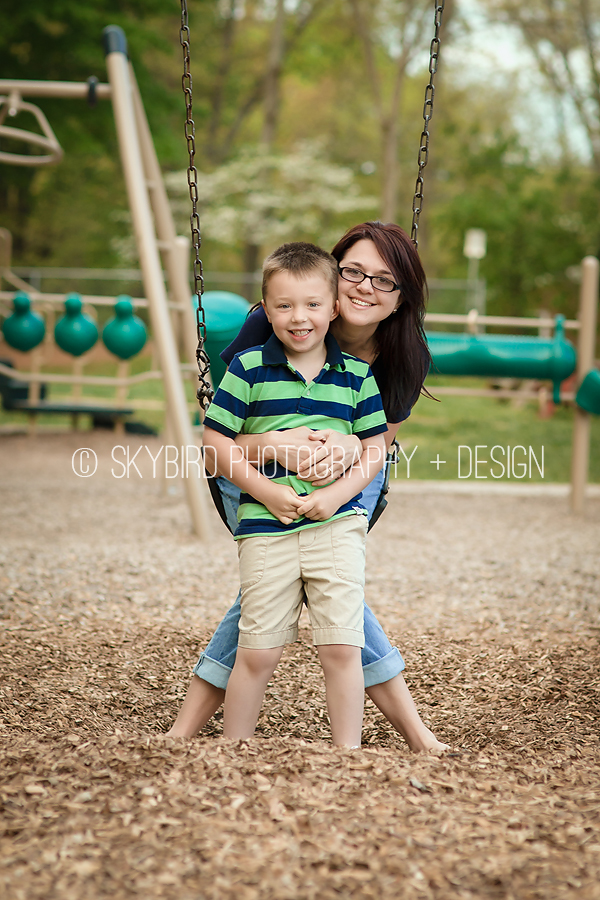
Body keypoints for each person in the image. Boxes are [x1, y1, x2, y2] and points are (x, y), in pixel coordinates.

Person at [167, 221, 449, 754]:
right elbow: (221, 437)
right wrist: (276, 446)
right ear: (334, 275)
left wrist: (345, 457)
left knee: (318, 587)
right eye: (355, 272)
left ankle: (191, 723)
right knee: (311, 588)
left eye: (384, 281)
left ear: (400, 298)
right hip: (253, 470)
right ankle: (411, 728)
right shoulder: (267, 327)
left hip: (348, 480)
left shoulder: (403, 356)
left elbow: (376, 447)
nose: (367, 286)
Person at [203, 241, 387, 746]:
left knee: (342, 646)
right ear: (265, 310)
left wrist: (334, 498)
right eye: (283, 306)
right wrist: (267, 492)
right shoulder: (247, 369)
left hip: (337, 523)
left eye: (311, 305)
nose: (298, 317)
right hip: (267, 526)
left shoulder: (356, 377)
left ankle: (347, 751)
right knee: (258, 649)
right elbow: (215, 443)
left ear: (333, 309)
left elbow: (374, 451)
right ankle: (233, 746)